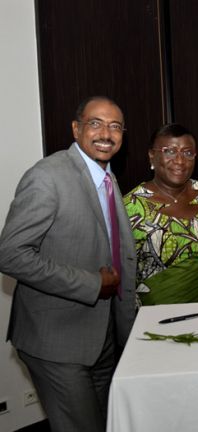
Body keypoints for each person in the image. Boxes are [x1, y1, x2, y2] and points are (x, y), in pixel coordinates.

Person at [0, 96, 136, 432]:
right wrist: (91, 283)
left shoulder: (107, 176)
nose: (106, 133)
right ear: (76, 129)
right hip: (56, 340)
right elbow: (11, 254)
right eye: (96, 123)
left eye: (115, 126)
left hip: (101, 335)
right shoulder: (48, 176)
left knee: (107, 424)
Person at [124, 123, 198, 306]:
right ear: (152, 156)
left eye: (187, 152)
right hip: (154, 318)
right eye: (169, 151)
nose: (179, 160)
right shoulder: (130, 206)